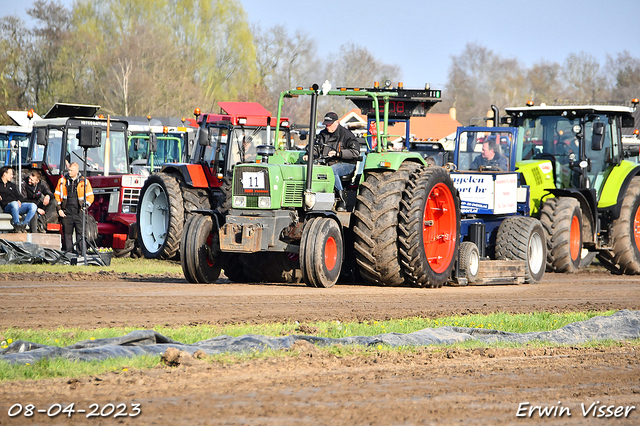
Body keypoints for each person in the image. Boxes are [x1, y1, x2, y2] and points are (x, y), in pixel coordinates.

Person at [303, 112, 360, 211]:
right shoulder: (322, 134)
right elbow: (317, 148)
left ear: (337, 122)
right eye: (326, 124)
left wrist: (338, 153)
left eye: (330, 124)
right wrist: (309, 155)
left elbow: (355, 152)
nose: (328, 127)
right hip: (327, 163)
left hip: (346, 164)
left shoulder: (346, 135)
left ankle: (342, 198)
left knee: (332, 171)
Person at [55, 162, 95, 254]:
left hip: (79, 211)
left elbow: (90, 196)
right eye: (69, 170)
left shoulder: (84, 182)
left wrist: (86, 205)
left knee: (80, 233)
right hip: (66, 211)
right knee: (67, 234)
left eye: (71, 170)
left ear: (77, 170)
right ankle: (69, 253)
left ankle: (81, 253)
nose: (69, 172)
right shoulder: (62, 181)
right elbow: (57, 196)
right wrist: (59, 209)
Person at [0, 166, 37, 233]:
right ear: (4, 174)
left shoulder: (12, 185)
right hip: (7, 207)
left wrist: (19, 200)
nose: (12, 176)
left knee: (33, 206)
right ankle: (16, 224)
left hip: (17, 205)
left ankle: (23, 225)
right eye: (10, 174)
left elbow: (20, 196)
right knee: (14, 203)